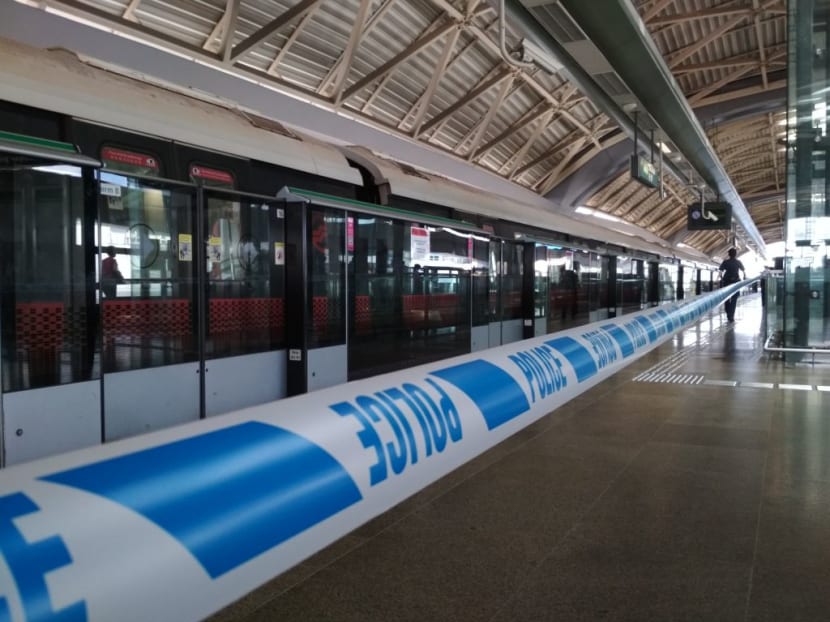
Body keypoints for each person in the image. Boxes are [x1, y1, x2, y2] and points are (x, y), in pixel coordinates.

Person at [719, 248, 745, 322]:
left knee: (726, 298)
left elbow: (720, 271)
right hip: (735, 282)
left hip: (726, 282)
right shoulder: (738, 262)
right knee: (734, 299)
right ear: (735, 254)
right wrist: (743, 278)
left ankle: (728, 312)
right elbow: (743, 270)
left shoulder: (725, 262)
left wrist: (721, 279)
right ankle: (731, 315)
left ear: (728, 254)